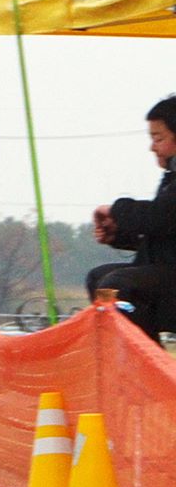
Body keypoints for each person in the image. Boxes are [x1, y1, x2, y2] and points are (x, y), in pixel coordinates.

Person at [87, 95, 176, 341]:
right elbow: (164, 235)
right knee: (99, 280)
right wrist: (119, 234)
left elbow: (161, 217)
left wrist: (116, 210)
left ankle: (147, 363)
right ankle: (124, 352)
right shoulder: (171, 178)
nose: (152, 147)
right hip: (167, 276)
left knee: (118, 284)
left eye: (158, 138)